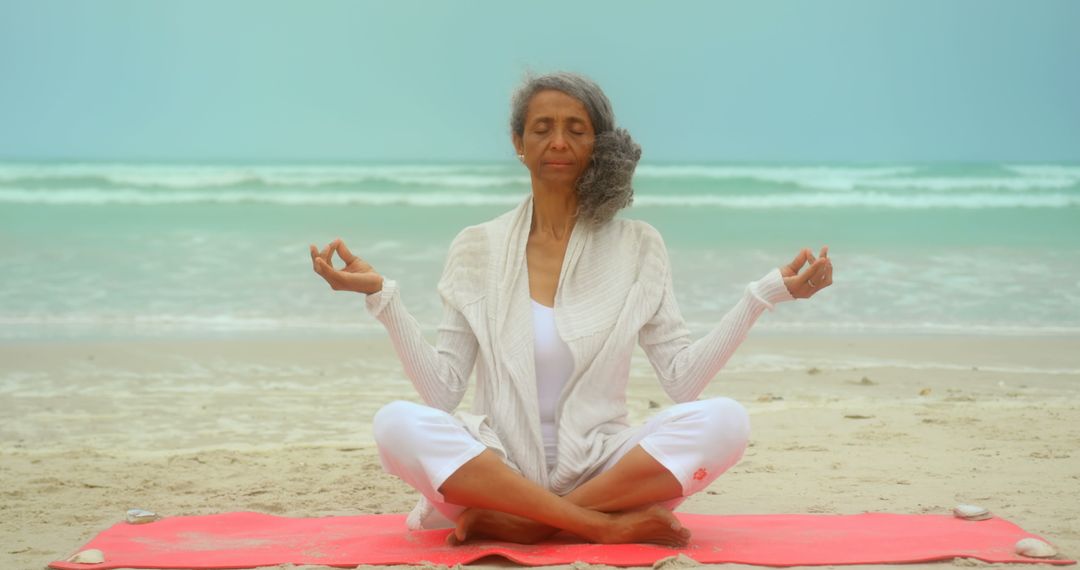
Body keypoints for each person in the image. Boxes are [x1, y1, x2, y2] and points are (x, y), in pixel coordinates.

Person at [310, 71, 833, 547]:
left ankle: (527, 522)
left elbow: (681, 381)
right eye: (542, 128)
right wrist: (382, 298)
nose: (558, 142)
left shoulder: (639, 245)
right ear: (518, 143)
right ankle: (597, 526)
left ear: (597, 145)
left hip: (605, 473)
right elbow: (444, 391)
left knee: (726, 420)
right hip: (496, 471)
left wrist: (761, 296)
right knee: (395, 423)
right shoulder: (476, 246)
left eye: (576, 129)